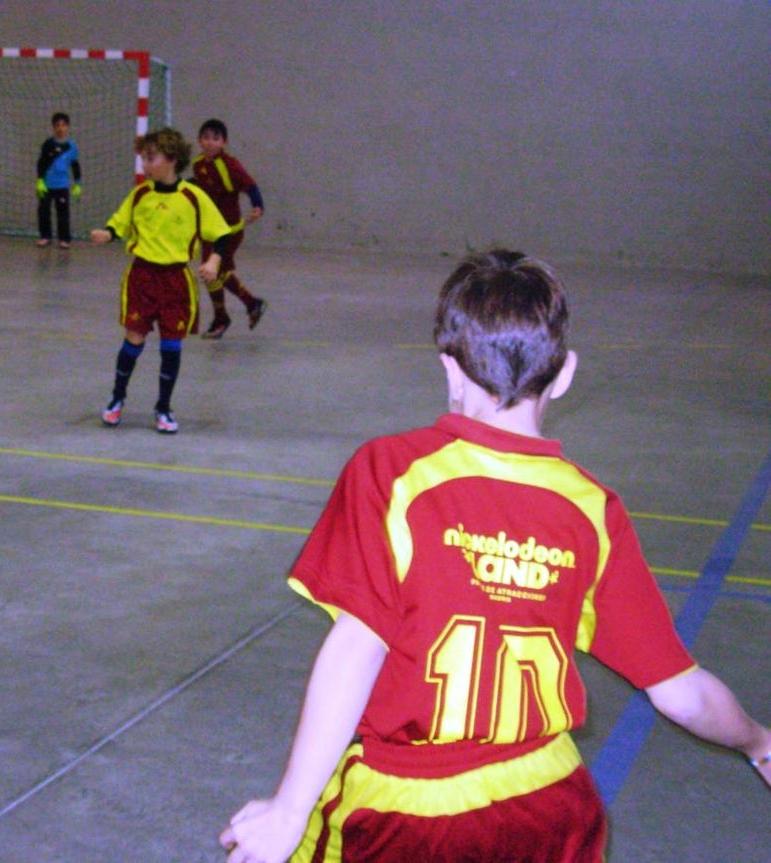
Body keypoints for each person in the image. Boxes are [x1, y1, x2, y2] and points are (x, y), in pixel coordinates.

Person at [219, 249, 771, 862]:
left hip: (409, 811)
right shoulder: (592, 508)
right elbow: (682, 693)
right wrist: (759, 742)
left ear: (450, 369)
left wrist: (291, 809)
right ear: (565, 375)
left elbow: (358, 644)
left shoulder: (393, 471)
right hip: (551, 803)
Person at [90, 127, 232, 434]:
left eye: (150, 158)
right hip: (141, 277)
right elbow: (120, 222)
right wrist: (108, 233)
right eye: (143, 157)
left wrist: (213, 260)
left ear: (171, 159)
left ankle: (164, 408)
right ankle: (116, 399)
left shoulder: (193, 197)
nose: (144, 164)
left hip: (176, 280)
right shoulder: (140, 194)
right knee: (134, 338)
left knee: (171, 346)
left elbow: (221, 233)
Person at [190, 118, 267, 339]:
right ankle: (233, 313)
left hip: (229, 231)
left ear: (224, 142)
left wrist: (258, 206)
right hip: (209, 230)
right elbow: (200, 185)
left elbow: (250, 185)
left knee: (217, 272)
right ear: (199, 140)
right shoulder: (198, 163)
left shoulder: (230, 165)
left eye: (215, 138)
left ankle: (238, 310)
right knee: (210, 273)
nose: (210, 143)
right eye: (205, 137)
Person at [35, 112, 82, 249]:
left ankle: (64, 239)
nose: (60, 128)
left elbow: (75, 165)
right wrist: (40, 181)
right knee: (43, 211)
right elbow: (41, 163)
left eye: (63, 125)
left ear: (67, 127)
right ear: (53, 127)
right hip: (47, 185)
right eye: (57, 125)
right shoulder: (48, 144)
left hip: (62, 185)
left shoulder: (72, 146)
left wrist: (77, 183)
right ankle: (45, 236)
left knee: (63, 212)